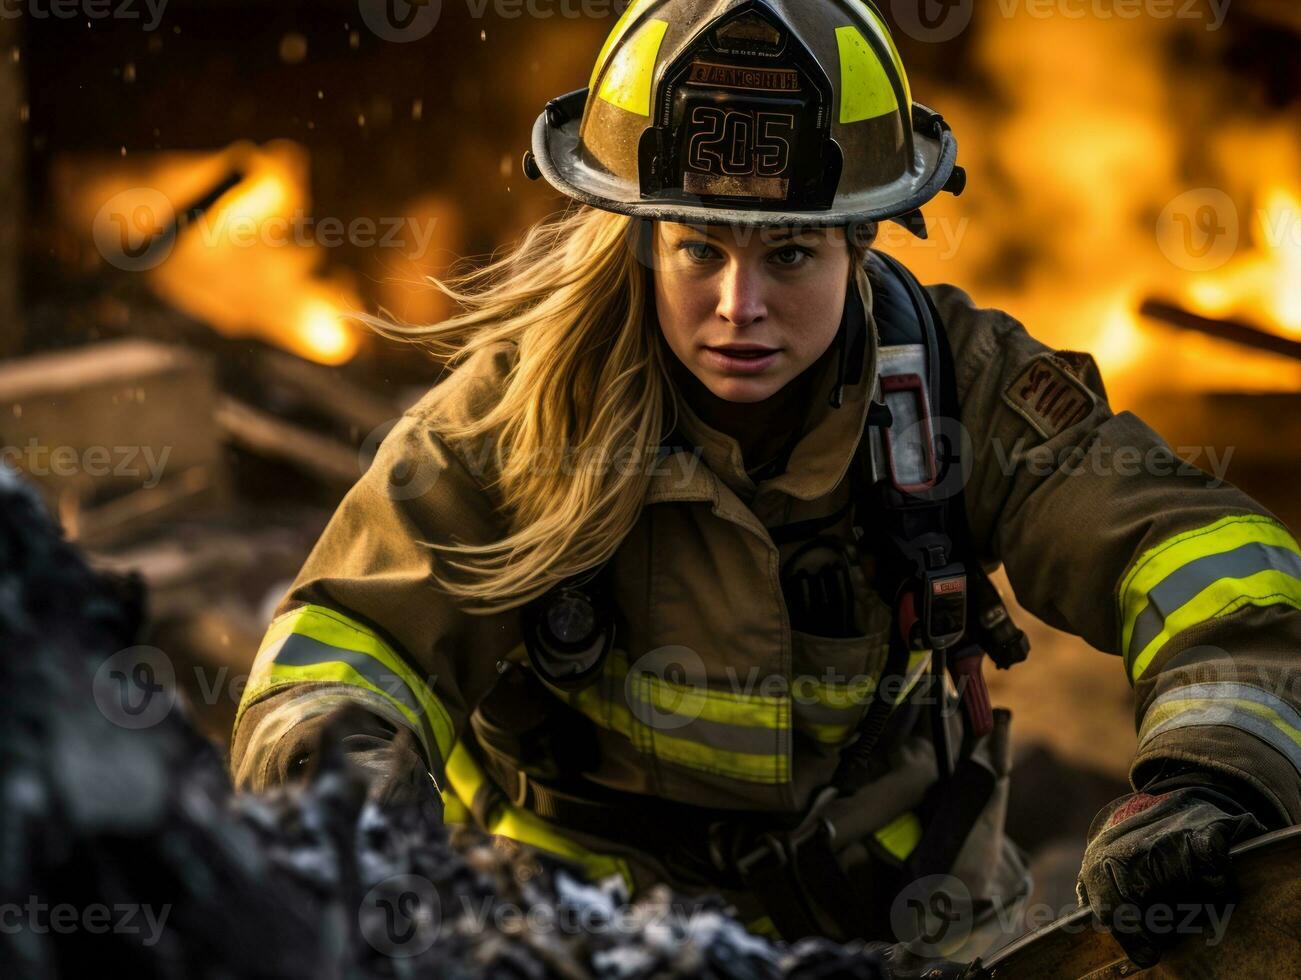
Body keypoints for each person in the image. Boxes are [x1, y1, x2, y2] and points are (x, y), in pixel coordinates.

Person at [230, 0, 1300, 968]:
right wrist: (353, 823)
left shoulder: (951, 388)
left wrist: (1213, 770)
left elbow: (1200, 555)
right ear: (639, 240)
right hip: (569, 940)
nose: (738, 305)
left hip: (899, 929)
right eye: (699, 250)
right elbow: (342, 645)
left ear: (862, 240)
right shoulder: (515, 419)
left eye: (789, 256)